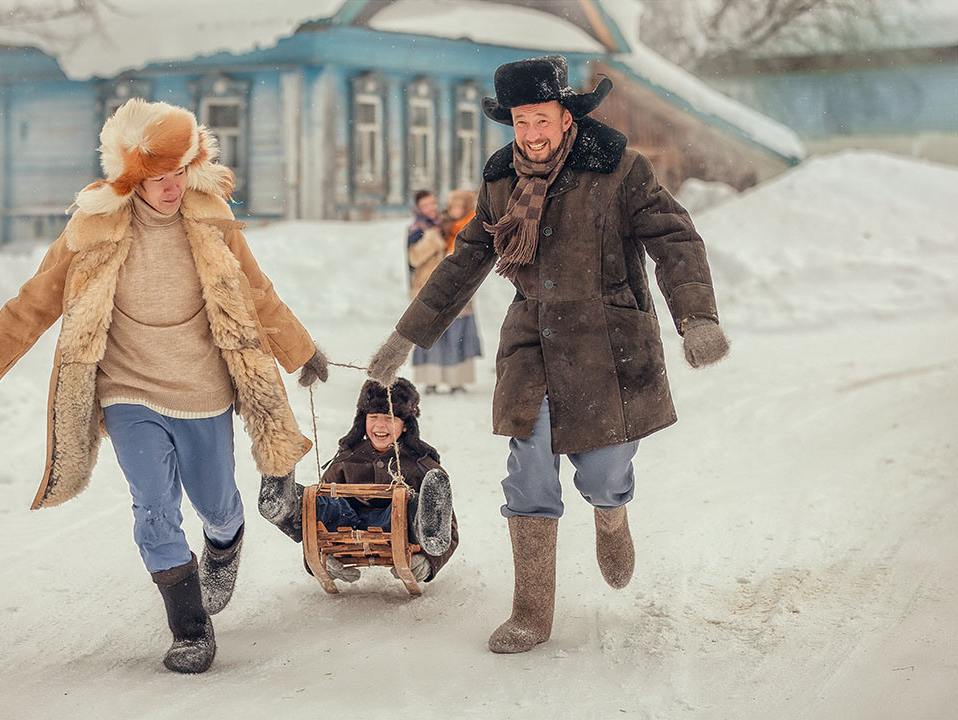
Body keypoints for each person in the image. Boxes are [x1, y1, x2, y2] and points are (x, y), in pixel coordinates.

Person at [0, 98, 328, 674]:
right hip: (127, 389)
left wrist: (301, 351)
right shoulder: (93, 228)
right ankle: (190, 629)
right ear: (131, 177)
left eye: (180, 172)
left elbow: (257, 292)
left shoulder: (211, 218)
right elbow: (32, 303)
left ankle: (225, 541)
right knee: (153, 505)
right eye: (157, 177)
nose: (172, 187)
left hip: (203, 389)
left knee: (217, 503)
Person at [367, 56, 730, 653]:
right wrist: (407, 336)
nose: (531, 133)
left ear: (566, 117)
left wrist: (697, 317)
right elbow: (465, 260)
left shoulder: (620, 169)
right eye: (520, 121)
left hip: (609, 342)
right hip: (531, 344)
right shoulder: (501, 182)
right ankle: (531, 613)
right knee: (529, 472)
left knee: (604, 472)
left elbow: (674, 237)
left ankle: (611, 513)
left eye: (541, 119)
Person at [261, 379, 458, 584]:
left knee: (407, 506)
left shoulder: (421, 465)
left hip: (394, 527)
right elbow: (321, 514)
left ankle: (429, 533)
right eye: (373, 417)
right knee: (320, 501)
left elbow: (451, 529)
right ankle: (283, 502)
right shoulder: (347, 459)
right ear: (363, 421)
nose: (380, 425)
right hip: (347, 526)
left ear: (406, 425)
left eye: (389, 418)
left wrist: (428, 562)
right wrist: (318, 555)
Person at [407, 189, 482, 394]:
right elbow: (414, 258)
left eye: (432, 203)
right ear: (418, 209)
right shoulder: (417, 229)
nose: (430, 208)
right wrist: (432, 239)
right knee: (430, 335)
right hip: (428, 289)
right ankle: (431, 379)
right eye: (425, 206)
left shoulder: (449, 225)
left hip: (456, 289)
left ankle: (456, 380)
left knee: (456, 333)